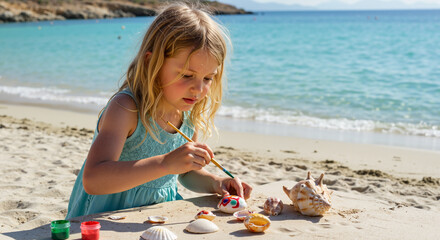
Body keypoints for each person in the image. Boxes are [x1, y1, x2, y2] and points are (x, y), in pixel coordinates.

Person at [66, 2, 252, 219]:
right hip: (107, 215)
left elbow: (186, 173)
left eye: (208, 78)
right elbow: (93, 180)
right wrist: (164, 164)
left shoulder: (187, 115)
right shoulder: (126, 109)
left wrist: (216, 182)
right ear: (151, 61)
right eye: (186, 75)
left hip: (155, 215)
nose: (199, 89)